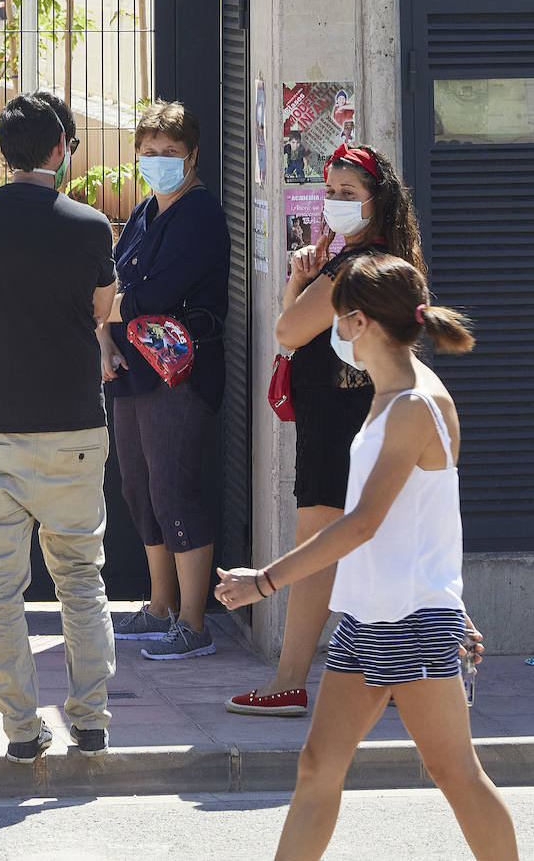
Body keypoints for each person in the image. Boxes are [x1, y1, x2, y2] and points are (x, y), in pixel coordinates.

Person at [215, 256, 517, 861]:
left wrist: (266, 580)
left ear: (358, 322)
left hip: (411, 622)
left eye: (334, 317)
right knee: (317, 767)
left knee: (456, 775)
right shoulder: (390, 396)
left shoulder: (413, 405)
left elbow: (363, 524)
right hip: (368, 618)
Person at [0, 92, 117, 762]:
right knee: (80, 577)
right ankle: (91, 718)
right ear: (60, 147)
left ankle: (21, 730)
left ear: (2, 148)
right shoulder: (90, 225)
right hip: (73, 425)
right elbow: (103, 309)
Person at [227, 143, 427, 716]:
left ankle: (290, 680)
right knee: (377, 544)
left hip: (335, 421)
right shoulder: (392, 263)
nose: (335, 203)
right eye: (330, 192)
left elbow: (288, 332)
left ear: (376, 201)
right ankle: (398, 674)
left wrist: (301, 282)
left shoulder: (350, 271)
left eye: (347, 194)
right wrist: (301, 277)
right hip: (369, 414)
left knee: (315, 551)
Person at [99, 100, 230, 660]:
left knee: (175, 487)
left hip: (180, 375)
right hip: (132, 368)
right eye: (149, 153)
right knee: (138, 487)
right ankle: (159, 609)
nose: (158, 161)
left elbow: (147, 294)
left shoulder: (199, 214)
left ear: (193, 155)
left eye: (170, 153)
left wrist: (104, 310)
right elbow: (110, 280)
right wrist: (103, 335)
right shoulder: (144, 211)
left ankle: (194, 624)